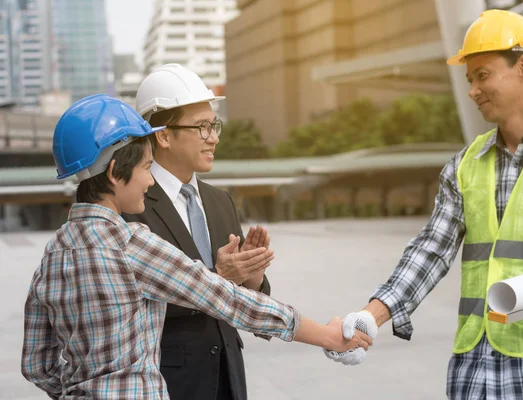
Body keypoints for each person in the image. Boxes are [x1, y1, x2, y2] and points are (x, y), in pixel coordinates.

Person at [21, 94, 372, 400]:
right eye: (145, 168)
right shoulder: (131, 244)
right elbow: (229, 300)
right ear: (115, 172)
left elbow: (37, 364)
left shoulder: (54, 253)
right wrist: (327, 335)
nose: (148, 179)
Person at [326, 9, 523, 399]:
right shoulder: (464, 165)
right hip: (474, 377)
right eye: (469, 79)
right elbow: (431, 250)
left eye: (483, 75)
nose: (472, 90)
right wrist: (373, 315)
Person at [121, 63, 273, 400]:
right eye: (202, 127)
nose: (213, 136)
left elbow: (241, 300)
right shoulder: (132, 205)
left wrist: (252, 279)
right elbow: (130, 301)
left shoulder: (221, 202)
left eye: (214, 124)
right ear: (162, 135)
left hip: (228, 380)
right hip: (167, 383)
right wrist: (219, 275)